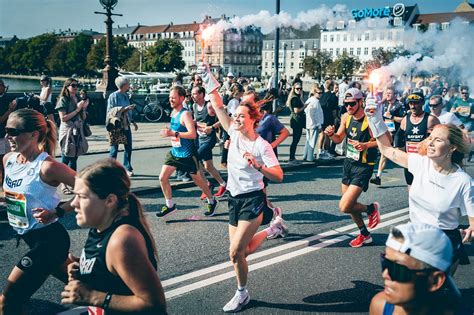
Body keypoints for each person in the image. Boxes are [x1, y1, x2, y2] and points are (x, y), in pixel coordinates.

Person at [198, 62, 287, 312]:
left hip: (253, 199)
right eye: (235, 115)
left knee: (235, 253)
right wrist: (207, 75)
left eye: (240, 116)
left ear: (252, 120)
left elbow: (279, 175)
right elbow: (216, 103)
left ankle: (242, 294)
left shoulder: (262, 146)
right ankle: (273, 230)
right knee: (243, 251)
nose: (235, 118)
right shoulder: (233, 133)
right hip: (234, 199)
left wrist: (258, 166)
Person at [365, 101, 473, 270]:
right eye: (430, 137)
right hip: (415, 234)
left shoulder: (463, 181)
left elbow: (473, 222)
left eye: (437, 140)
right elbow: (387, 150)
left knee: (430, 291)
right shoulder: (421, 163)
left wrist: (470, 231)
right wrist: (374, 118)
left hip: (444, 243)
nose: (430, 142)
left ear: (452, 147)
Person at [61, 159, 167, 314]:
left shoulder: (122, 239)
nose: (74, 204)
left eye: (82, 197)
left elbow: (154, 304)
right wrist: (83, 268)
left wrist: (91, 296)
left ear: (110, 200)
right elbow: (110, 270)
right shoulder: (99, 227)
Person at [0, 108, 76, 315]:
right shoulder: (9, 160)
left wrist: (58, 212)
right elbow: (13, 195)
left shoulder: (47, 166)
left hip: (50, 240)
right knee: (85, 286)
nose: (8, 136)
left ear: (34, 134)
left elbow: (93, 189)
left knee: (7, 304)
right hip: (29, 237)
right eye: (6, 129)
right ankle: (124, 303)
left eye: (14, 131)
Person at [324, 88, 381, 248]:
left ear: (360, 102)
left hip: (363, 166)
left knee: (344, 206)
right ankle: (364, 234)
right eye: (346, 104)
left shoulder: (369, 119)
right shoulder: (345, 117)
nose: (348, 107)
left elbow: (384, 141)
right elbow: (338, 139)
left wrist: (366, 145)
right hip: (349, 164)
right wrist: (330, 134)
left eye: (352, 104)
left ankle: (371, 209)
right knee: (350, 206)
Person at [369, 223, 462, 315]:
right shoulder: (380, 305)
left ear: (435, 280)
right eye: (385, 262)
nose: (385, 275)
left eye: (398, 269)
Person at [155, 86, 218, 218]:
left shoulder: (185, 114)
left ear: (182, 98)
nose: (170, 99)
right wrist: (168, 131)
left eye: (173, 97)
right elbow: (175, 130)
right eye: (170, 97)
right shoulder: (173, 113)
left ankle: (212, 201)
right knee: (162, 178)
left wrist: (173, 133)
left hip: (187, 155)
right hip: (175, 152)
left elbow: (192, 134)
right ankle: (170, 205)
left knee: (199, 181)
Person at [396, 91, 440, 190]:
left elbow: (441, 138)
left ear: (422, 103)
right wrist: (401, 153)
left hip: (425, 161)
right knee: (410, 189)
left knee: (426, 189)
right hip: (410, 161)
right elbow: (398, 138)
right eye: (411, 103)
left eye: (416, 103)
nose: (413, 106)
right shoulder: (405, 119)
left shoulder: (431, 119)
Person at [191, 86, 227, 199]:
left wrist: (212, 127)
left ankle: (206, 184)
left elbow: (224, 119)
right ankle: (223, 184)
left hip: (209, 139)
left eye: (195, 94)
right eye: (191, 94)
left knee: (194, 160)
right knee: (208, 166)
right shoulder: (194, 106)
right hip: (200, 139)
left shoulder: (209, 106)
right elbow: (197, 120)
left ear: (202, 94)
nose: (192, 96)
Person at [56, 78, 89, 194]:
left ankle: (73, 183)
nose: (75, 87)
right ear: (67, 87)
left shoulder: (78, 98)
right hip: (68, 131)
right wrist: (78, 109)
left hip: (77, 130)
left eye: (77, 85)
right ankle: (63, 185)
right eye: (73, 85)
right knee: (66, 157)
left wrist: (83, 110)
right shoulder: (63, 99)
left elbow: (83, 118)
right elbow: (63, 118)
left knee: (74, 158)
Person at [370, 87, 407, 186]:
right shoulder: (385, 104)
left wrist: (392, 117)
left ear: (395, 95)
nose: (388, 95)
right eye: (387, 93)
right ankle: (378, 177)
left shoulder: (400, 105)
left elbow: (404, 120)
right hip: (388, 132)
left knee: (402, 154)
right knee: (384, 152)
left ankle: (412, 173)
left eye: (390, 93)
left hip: (398, 133)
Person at [107, 77, 138, 177]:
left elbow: (128, 112)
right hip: (116, 125)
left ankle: (127, 167)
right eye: (128, 83)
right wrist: (125, 109)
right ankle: (110, 169)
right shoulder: (113, 96)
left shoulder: (125, 95)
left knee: (128, 147)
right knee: (114, 149)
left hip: (126, 124)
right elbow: (110, 111)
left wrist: (133, 121)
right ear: (123, 85)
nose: (129, 85)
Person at [0, 79, 16, 185]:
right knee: (2, 161)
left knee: (10, 158)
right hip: (0, 136)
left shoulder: (5, 98)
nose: (3, 86)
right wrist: (10, 110)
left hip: (7, 134)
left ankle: (7, 182)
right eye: (1, 85)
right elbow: (0, 120)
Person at [318, 79, 339, 160]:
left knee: (321, 135)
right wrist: (336, 118)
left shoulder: (321, 95)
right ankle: (326, 152)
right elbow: (334, 111)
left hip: (321, 117)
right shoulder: (333, 97)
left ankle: (320, 151)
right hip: (329, 117)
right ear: (331, 86)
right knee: (328, 135)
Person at [303, 84, 324, 162]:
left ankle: (305, 155)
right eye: (319, 93)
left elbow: (305, 110)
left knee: (308, 140)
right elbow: (317, 115)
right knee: (312, 141)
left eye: (321, 93)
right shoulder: (316, 102)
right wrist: (319, 125)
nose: (320, 94)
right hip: (314, 124)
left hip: (308, 123)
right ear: (314, 92)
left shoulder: (309, 99)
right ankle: (309, 157)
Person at [287, 82, 306, 164]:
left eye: (300, 88)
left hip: (297, 121)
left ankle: (292, 157)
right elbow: (296, 111)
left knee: (296, 139)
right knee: (295, 140)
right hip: (296, 121)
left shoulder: (297, 97)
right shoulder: (295, 99)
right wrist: (305, 106)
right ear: (293, 89)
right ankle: (291, 158)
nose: (299, 90)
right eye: (297, 89)